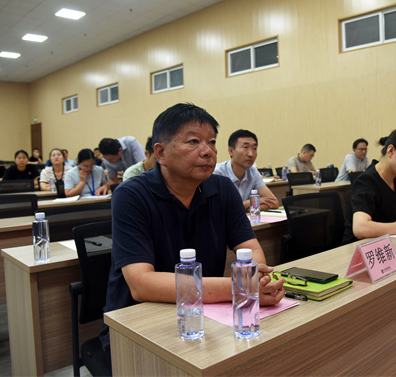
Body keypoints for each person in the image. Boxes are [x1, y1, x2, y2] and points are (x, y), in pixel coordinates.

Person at [100, 103, 285, 351]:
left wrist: (257, 282)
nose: (207, 151)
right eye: (194, 141)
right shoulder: (130, 195)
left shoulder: (223, 189)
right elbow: (141, 285)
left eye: (212, 142)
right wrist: (241, 288)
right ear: (161, 152)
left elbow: (251, 250)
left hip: (207, 315)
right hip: (136, 326)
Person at [342, 126, 396, 245]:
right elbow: (361, 228)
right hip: (359, 248)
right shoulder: (366, 181)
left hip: (388, 245)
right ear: (391, 151)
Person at [213, 129, 279, 211]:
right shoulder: (217, 173)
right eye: (245, 147)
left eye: (254, 148)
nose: (251, 154)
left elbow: (274, 203)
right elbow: (220, 209)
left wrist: (246, 208)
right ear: (231, 151)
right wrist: (249, 203)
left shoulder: (252, 172)